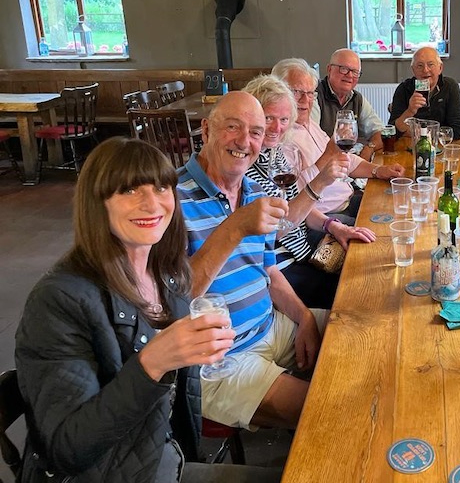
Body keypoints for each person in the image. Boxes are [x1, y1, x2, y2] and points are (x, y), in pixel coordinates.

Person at [15, 137, 276, 482]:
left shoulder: (166, 273)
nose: (152, 204)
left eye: (161, 188)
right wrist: (153, 363)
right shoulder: (58, 301)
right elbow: (67, 449)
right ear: (98, 204)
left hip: (165, 459)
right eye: (130, 191)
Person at [177, 91, 326, 430]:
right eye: (233, 127)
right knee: (326, 411)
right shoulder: (169, 199)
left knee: (360, 333)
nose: (245, 141)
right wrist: (235, 227)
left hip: (270, 328)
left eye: (256, 132)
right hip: (219, 360)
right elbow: (174, 300)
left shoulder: (255, 192)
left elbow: (269, 271)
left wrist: (303, 317)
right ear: (206, 130)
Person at [242, 73, 377, 309]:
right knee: (360, 293)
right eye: (268, 118)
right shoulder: (245, 169)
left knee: (369, 263)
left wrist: (334, 226)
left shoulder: (276, 155)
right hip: (283, 266)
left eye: (284, 119)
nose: (276, 127)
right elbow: (277, 231)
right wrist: (319, 183)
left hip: (305, 252)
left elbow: (299, 205)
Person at [274, 58, 404, 219]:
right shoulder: (280, 136)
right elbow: (294, 194)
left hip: (348, 200)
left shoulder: (308, 124)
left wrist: (378, 170)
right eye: (297, 92)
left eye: (309, 94)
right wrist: (328, 155)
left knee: (401, 205)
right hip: (326, 215)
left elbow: (345, 159)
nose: (305, 100)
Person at [314, 48, 383, 160]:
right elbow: (312, 141)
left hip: (351, 162)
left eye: (355, 72)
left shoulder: (357, 98)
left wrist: (369, 148)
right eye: (344, 69)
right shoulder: (314, 96)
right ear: (329, 69)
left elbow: (378, 131)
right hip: (324, 164)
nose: (350, 75)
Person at [389, 46, 460, 139]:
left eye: (430, 64)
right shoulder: (403, 89)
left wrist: (420, 133)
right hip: (412, 147)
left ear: (440, 68)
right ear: (413, 70)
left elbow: (457, 130)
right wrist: (410, 111)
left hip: (441, 145)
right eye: (420, 66)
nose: (425, 70)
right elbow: (393, 131)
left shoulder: (450, 86)